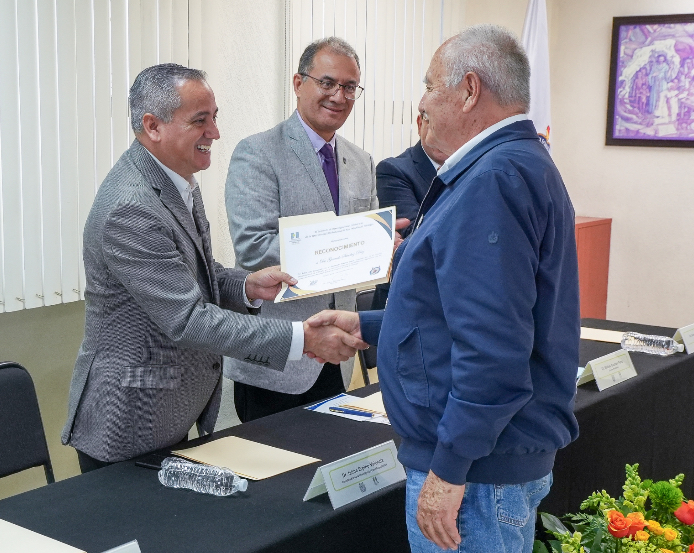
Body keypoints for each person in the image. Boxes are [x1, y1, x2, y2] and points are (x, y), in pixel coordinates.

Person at [308, 25, 580, 552]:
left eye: (431, 86)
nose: (422, 102)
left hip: (477, 472)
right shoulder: (514, 165)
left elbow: (492, 347)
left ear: (470, 90)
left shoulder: (492, 179)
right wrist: (368, 325)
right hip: (489, 461)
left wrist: (450, 466)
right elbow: (461, 313)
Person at [61, 63, 366, 472]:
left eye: (214, 117)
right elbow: (189, 319)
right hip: (128, 416)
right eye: (200, 121)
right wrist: (303, 339)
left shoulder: (176, 179)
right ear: (153, 126)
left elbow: (195, 272)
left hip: (168, 408)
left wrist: (246, 286)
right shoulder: (130, 208)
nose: (215, 133)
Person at [224, 38, 378, 422]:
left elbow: (366, 244)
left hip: (338, 354)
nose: (338, 96)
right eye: (327, 83)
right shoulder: (258, 152)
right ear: (298, 83)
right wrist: (349, 245)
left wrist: (381, 243)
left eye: (349, 87)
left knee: (329, 456)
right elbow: (254, 247)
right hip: (278, 358)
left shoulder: (361, 161)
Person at [372, 113, 448, 308]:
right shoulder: (393, 170)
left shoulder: (471, 169)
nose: (443, 134)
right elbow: (415, 233)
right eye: (437, 125)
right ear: (420, 123)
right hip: (407, 299)